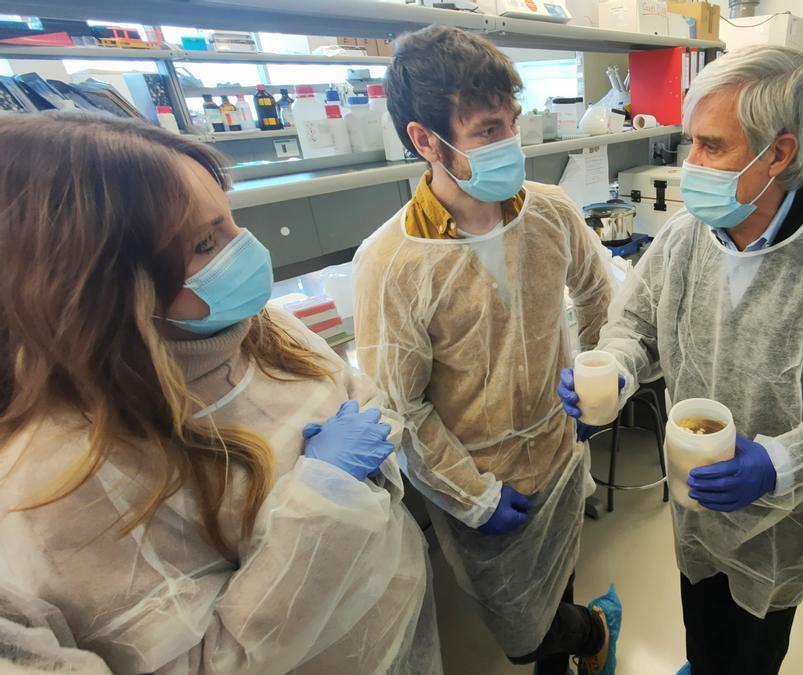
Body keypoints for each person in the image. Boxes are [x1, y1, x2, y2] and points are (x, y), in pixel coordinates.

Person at [0, 113, 441, 675]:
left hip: (398, 624)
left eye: (231, 222)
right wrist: (324, 500)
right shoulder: (64, 482)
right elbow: (213, 663)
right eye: (207, 242)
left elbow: (363, 398)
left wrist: (363, 463)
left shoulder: (259, 328)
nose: (246, 250)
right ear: (97, 289)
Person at [557, 45, 803, 675]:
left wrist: (782, 462)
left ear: (779, 154)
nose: (690, 165)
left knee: (753, 650)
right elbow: (635, 325)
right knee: (701, 624)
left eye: (710, 146)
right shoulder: (685, 236)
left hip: (781, 520)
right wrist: (616, 370)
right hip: (694, 501)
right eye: (690, 145)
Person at [353, 26, 620, 675]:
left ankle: (578, 641)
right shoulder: (393, 263)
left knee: (558, 588)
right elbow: (400, 406)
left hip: (560, 454)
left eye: (513, 123)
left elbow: (599, 296)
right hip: (483, 482)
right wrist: (473, 495)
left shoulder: (551, 213)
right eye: (488, 130)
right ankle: (595, 633)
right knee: (520, 632)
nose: (511, 144)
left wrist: (600, 378)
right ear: (426, 139)